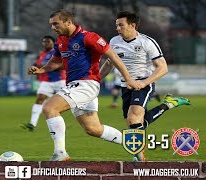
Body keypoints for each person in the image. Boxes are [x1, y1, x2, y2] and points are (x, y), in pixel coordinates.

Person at [28, 9, 140, 161]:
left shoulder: (89, 37)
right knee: (93, 129)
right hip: (76, 86)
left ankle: (60, 153)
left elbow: (112, 56)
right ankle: (137, 147)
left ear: (68, 22)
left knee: (49, 108)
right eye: (51, 25)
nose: (53, 28)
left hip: (86, 84)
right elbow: (55, 62)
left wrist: (128, 79)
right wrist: (41, 69)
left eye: (56, 24)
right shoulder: (61, 40)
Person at [100, 11, 191, 161]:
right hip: (125, 86)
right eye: (116, 25)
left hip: (143, 84)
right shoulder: (114, 41)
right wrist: (96, 79)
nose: (117, 28)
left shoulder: (147, 42)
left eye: (121, 25)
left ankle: (140, 157)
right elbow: (110, 63)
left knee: (134, 117)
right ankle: (168, 105)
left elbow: (163, 67)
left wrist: (144, 83)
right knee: (134, 122)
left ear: (132, 25)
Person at [22, 36, 66, 132]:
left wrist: (46, 66)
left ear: (53, 43)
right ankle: (32, 124)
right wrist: (33, 68)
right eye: (44, 42)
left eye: (48, 41)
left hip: (60, 80)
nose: (45, 43)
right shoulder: (42, 54)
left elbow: (63, 65)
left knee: (69, 101)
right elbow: (37, 65)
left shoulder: (57, 52)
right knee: (40, 98)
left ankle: (86, 113)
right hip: (46, 81)